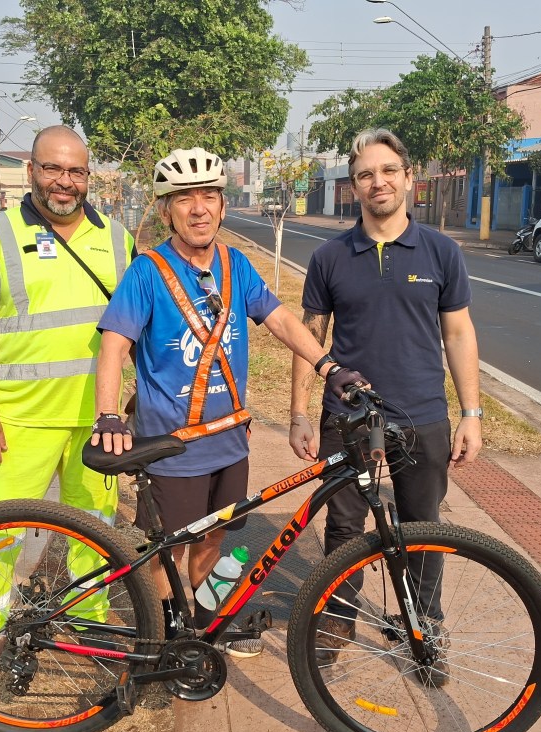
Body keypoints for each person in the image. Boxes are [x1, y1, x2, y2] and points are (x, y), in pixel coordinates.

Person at [92, 147, 364, 658]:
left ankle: (205, 623)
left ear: (222, 204)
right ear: (167, 208)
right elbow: (114, 344)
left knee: (214, 542)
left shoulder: (235, 264)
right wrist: (108, 413)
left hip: (230, 444)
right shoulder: (147, 272)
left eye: (210, 196)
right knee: (164, 554)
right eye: (185, 198)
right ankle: (162, 639)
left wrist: (327, 366)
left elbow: (280, 319)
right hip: (172, 447)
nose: (199, 208)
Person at [289, 128, 483, 683]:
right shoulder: (330, 257)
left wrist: (471, 414)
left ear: (408, 178)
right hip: (347, 419)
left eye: (388, 171)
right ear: (354, 186)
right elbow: (311, 337)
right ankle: (338, 621)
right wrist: (302, 413)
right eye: (366, 174)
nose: (379, 182)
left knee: (424, 524)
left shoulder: (442, 251)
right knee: (345, 526)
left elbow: (460, 335)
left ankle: (424, 624)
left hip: (422, 416)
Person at [0, 125, 137, 682]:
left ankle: (88, 626)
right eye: (53, 168)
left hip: (93, 420)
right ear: (31, 170)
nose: (65, 181)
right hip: (18, 419)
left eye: (76, 171)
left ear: (88, 176)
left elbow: (134, 322)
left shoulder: (118, 239)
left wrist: (133, 393)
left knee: (94, 531)